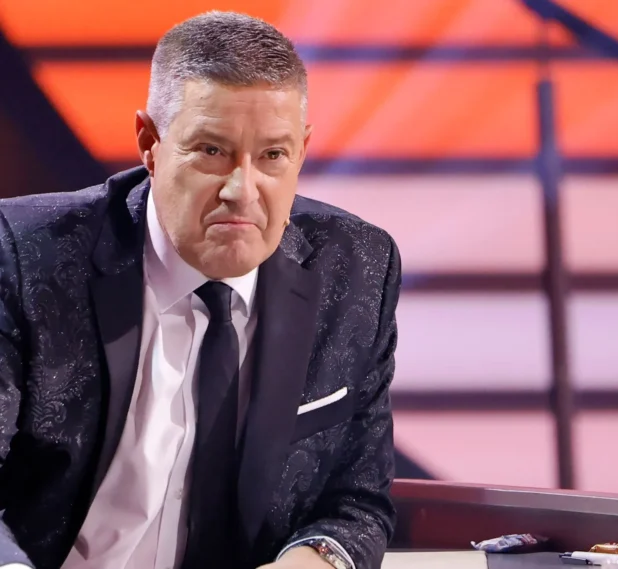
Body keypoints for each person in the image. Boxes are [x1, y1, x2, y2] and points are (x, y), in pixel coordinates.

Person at [0, 11, 400, 569]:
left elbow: (355, 501)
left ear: (302, 150)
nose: (242, 190)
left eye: (273, 156)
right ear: (150, 143)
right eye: (212, 151)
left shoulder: (355, 268)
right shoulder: (25, 255)